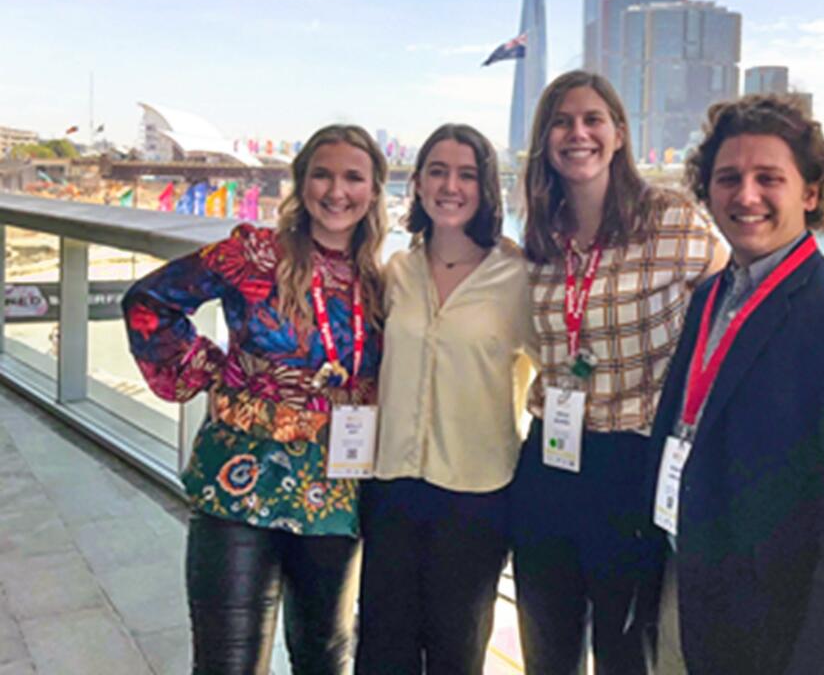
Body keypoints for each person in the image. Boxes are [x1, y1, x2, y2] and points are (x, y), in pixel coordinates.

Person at [646, 94, 824, 674]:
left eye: (769, 178)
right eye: (728, 178)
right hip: (687, 604)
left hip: (775, 639)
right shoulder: (707, 300)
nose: (746, 195)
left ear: (810, 193)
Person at [122, 124, 387, 674]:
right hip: (239, 485)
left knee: (326, 659)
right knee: (228, 662)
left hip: (335, 493)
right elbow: (149, 301)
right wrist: (209, 370)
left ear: (374, 191)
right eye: (322, 175)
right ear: (301, 183)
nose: (337, 191)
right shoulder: (253, 253)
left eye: (353, 178)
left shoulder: (383, 283)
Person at [511, 70, 727, 675]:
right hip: (550, 462)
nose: (577, 133)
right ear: (545, 140)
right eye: (561, 121)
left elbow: (733, 308)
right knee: (546, 652)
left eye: (591, 119)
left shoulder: (671, 220)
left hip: (635, 462)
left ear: (619, 134)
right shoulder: (540, 234)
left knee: (626, 654)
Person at [355, 123, 537, 674]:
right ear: (418, 183)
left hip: (476, 494)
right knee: (383, 647)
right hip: (391, 485)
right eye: (437, 170)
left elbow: (562, 365)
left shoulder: (519, 277)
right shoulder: (395, 271)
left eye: (466, 174)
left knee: (457, 652)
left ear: (486, 188)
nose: (450, 186)